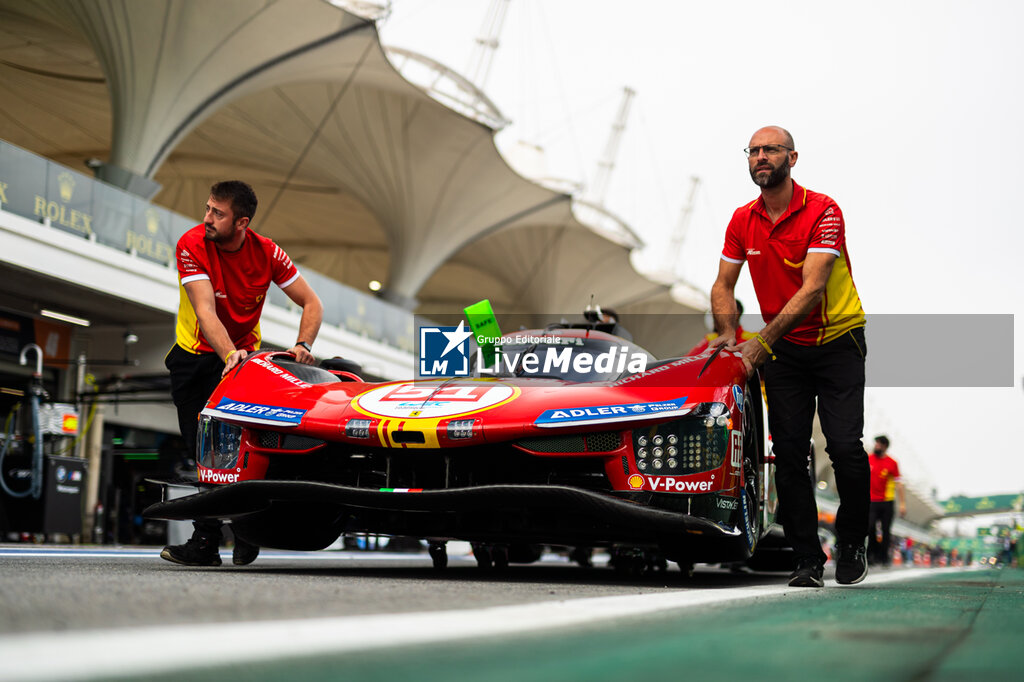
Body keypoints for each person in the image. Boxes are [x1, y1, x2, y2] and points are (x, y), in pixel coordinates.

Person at [708, 126, 869, 588]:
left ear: (792, 158)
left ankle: (852, 541)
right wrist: (726, 332)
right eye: (754, 151)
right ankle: (806, 559)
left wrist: (761, 342)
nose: (761, 157)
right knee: (789, 453)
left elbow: (813, 287)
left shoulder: (824, 209)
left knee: (842, 446)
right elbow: (723, 284)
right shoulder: (742, 220)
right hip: (786, 351)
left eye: (771, 150)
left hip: (839, 340)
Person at [161, 180, 323, 567]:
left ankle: (237, 533)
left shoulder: (268, 253)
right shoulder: (192, 244)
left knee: (248, 447)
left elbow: (311, 302)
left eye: (217, 213)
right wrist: (229, 355)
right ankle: (208, 543)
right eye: (207, 209)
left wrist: (303, 346)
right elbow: (205, 312)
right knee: (203, 451)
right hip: (195, 360)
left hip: (245, 359)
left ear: (242, 222)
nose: (207, 219)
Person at [868, 435, 905, 566]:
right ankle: (871, 554)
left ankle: (883, 557)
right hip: (871, 501)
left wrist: (902, 504)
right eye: (876, 443)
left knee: (886, 530)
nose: (876, 446)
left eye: (878, 444)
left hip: (887, 502)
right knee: (870, 527)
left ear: (884, 446)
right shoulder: (868, 459)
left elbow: (899, 484)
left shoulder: (892, 463)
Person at [687, 299, 756, 355]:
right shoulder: (710, 338)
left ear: (736, 313)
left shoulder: (753, 339)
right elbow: (686, 360)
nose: (714, 316)